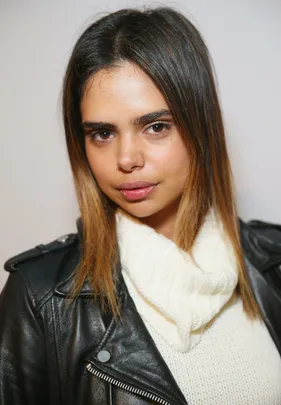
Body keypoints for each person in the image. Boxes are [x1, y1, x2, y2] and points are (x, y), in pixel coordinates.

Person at [0, 6, 280, 405]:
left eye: (156, 126)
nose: (126, 158)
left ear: (202, 127)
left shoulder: (273, 262)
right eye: (101, 133)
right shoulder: (41, 297)